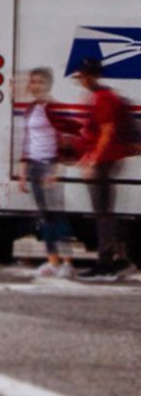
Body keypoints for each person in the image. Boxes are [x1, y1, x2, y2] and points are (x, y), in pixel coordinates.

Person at [74, 59, 136, 281]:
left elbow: (107, 132)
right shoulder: (102, 96)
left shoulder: (103, 99)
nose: (80, 80)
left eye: (81, 76)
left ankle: (106, 263)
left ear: (90, 76)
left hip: (104, 160)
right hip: (105, 159)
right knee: (105, 211)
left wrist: (93, 160)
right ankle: (118, 258)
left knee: (103, 213)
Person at [16, 68, 74, 277]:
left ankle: (68, 263)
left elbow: (66, 138)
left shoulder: (56, 107)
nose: (36, 86)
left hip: (50, 165)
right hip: (34, 166)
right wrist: (23, 172)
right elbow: (27, 141)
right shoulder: (31, 109)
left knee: (58, 215)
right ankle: (53, 262)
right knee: (45, 217)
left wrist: (57, 169)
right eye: (33, 82)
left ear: (48, 85)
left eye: (40, 82)